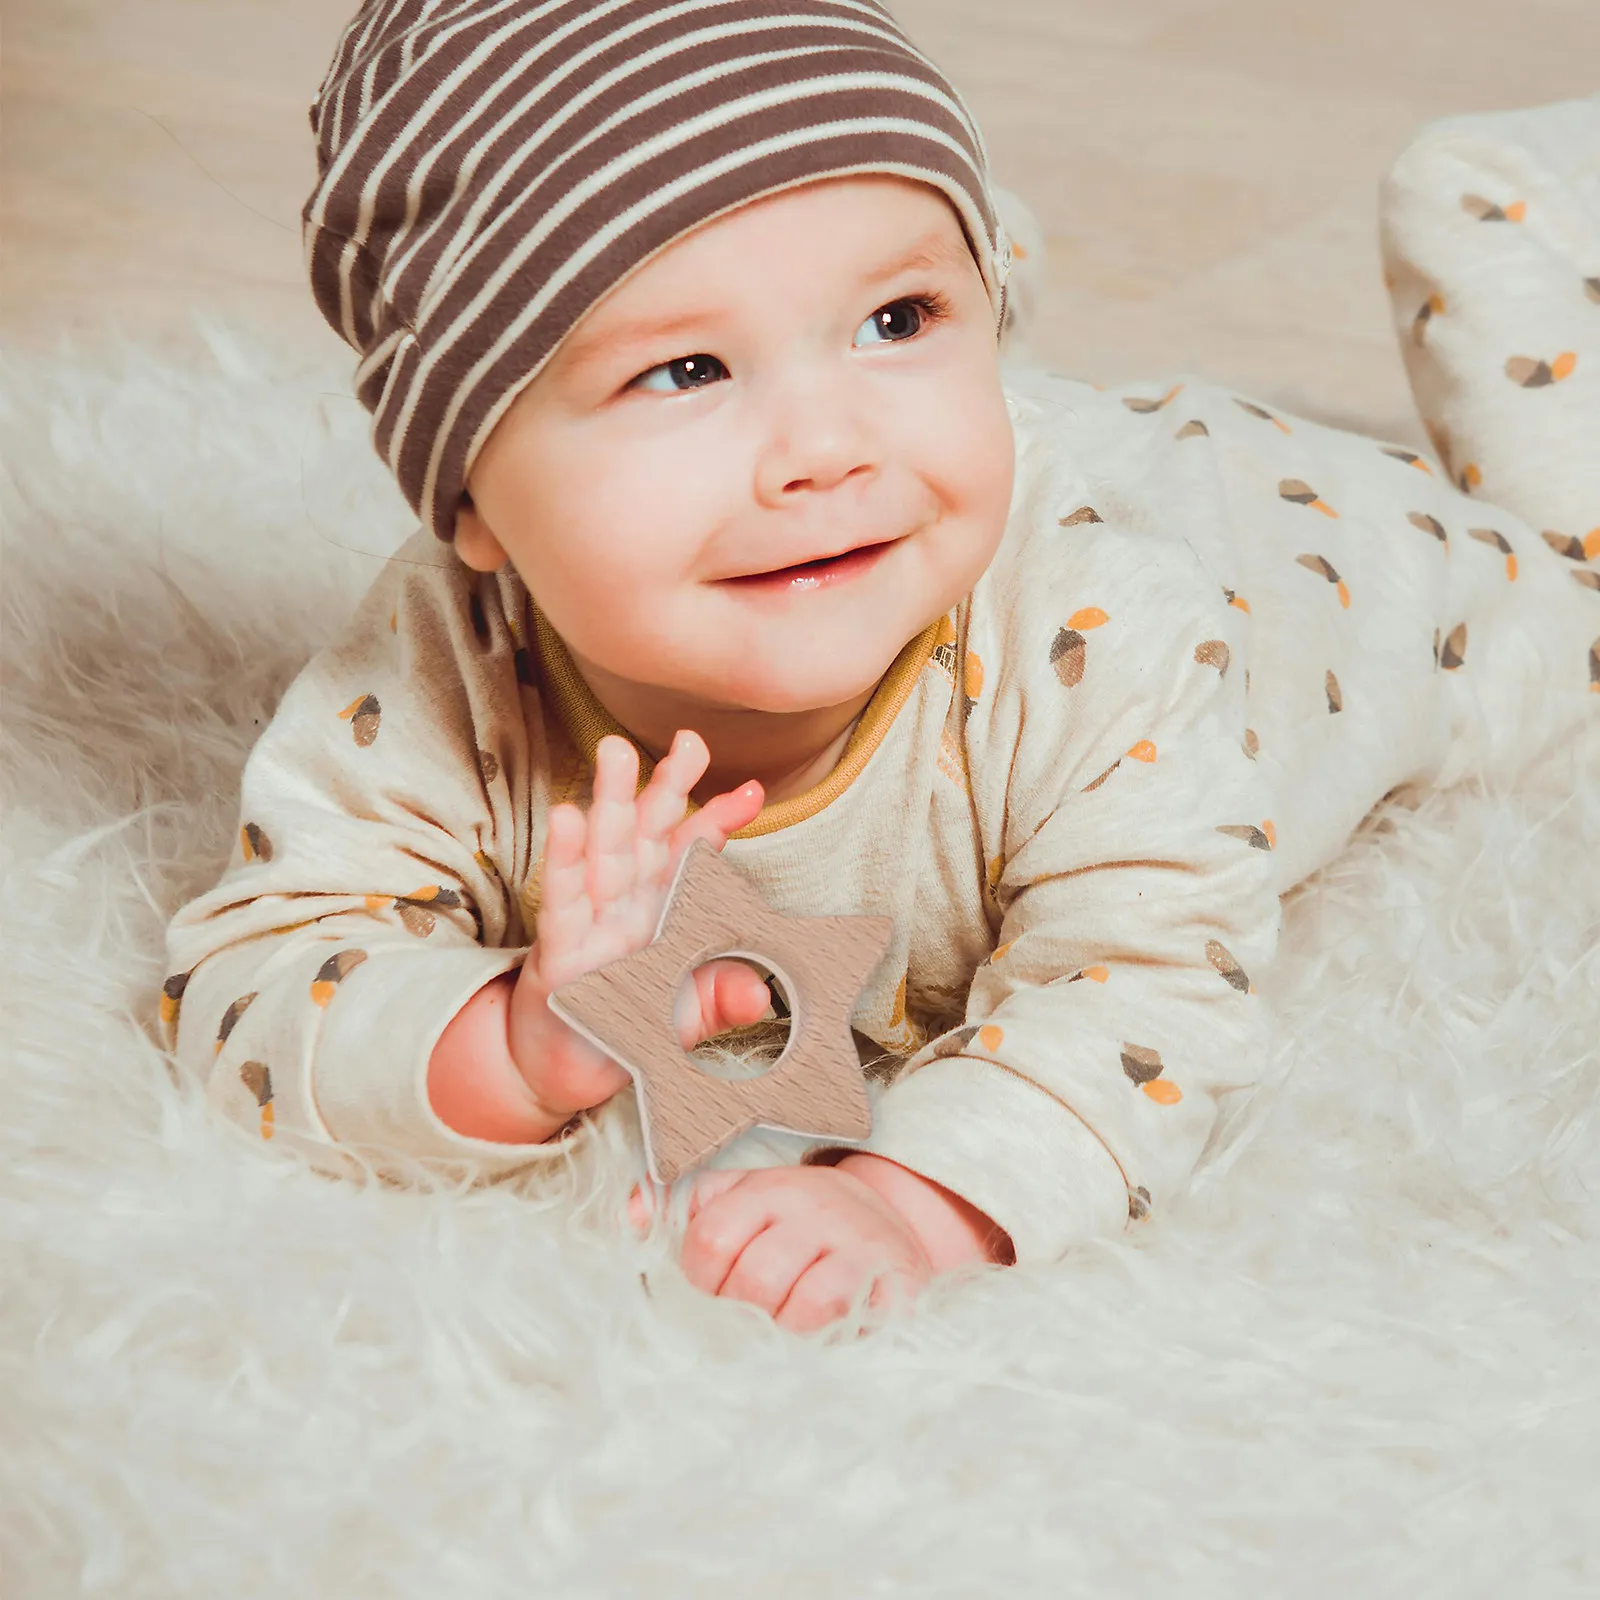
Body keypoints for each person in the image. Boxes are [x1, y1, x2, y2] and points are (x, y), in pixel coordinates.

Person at [163, 0, 1598, 1334]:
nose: (827, 448)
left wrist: (909, 1205)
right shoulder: (440, 669)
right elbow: (257, 983)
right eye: (684, 370)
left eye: (898, 321)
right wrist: (517, 1042)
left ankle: (1494, 200)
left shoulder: (1108, 630)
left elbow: (1150, 988)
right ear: (467, 492)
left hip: (1330, 549)